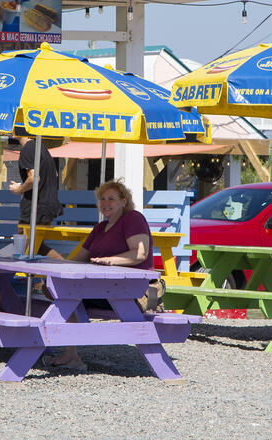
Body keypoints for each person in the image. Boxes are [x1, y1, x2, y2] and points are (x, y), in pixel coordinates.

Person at [45, 180, 159, 371]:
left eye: (111, 199)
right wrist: (52, 260)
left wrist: (110, 260)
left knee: (65, 293)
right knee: (56, 291)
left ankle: (55, 347)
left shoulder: (132, 218)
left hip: (133, 291)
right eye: (102, 199)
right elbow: (76, 260)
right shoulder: (99, 228)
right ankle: (71, 354)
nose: (106, 203)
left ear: (124, 201)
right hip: (104, 289)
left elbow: (140, 254)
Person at [9, 128, 63, 258]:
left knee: (25, 245)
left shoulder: (27, 149)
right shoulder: (41, 148)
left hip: (35, 206)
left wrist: (19, 189)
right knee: (36, 246)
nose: (9, 130)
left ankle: (66, 267)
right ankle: (46, 276)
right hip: (48, 204)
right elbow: (54, 174)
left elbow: (34, 178)